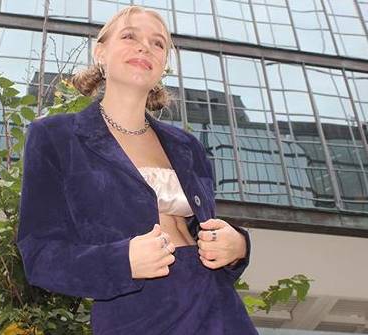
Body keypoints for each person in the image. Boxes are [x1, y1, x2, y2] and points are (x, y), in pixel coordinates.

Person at [17, 5, 258, 334]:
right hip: (138, 317)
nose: (145, 46)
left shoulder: (189, 147)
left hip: (219, 311)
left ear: (163, 65)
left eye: (158, 43)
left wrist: (237, 247)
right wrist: (122, 261)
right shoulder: (55, 137)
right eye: (130, 36)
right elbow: (39, 256)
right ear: (100, 52)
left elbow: (206, 236)